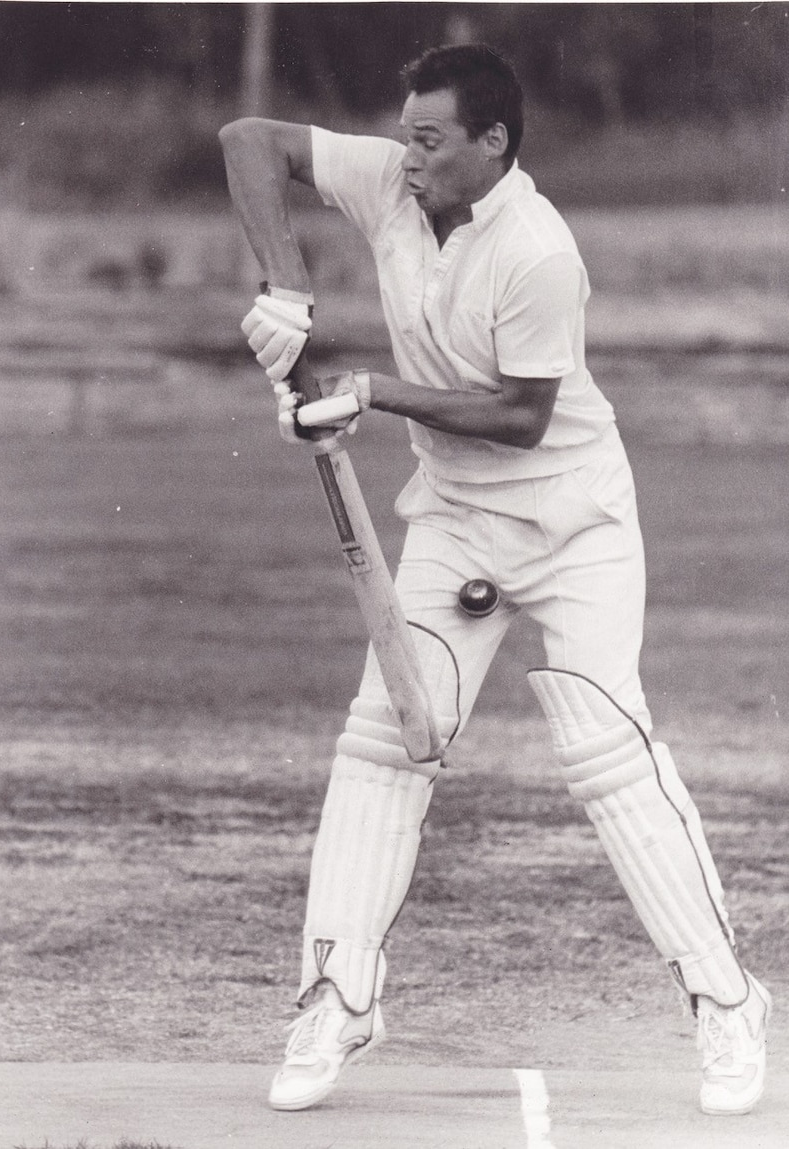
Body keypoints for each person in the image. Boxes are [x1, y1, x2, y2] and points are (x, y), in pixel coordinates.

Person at [219, 43, 769, 1117]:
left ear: (492, 146)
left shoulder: (538, 251)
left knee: (607, 746)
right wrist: (285, 279)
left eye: (428, 139)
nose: (405, 155)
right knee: (389, 735)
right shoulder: (393, 178)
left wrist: (368, 391)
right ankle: (338, 996)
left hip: (573, 522)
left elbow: (520, 418)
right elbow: (252, 143)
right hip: (456, 524)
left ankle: (726, 1002)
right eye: (404, 132)